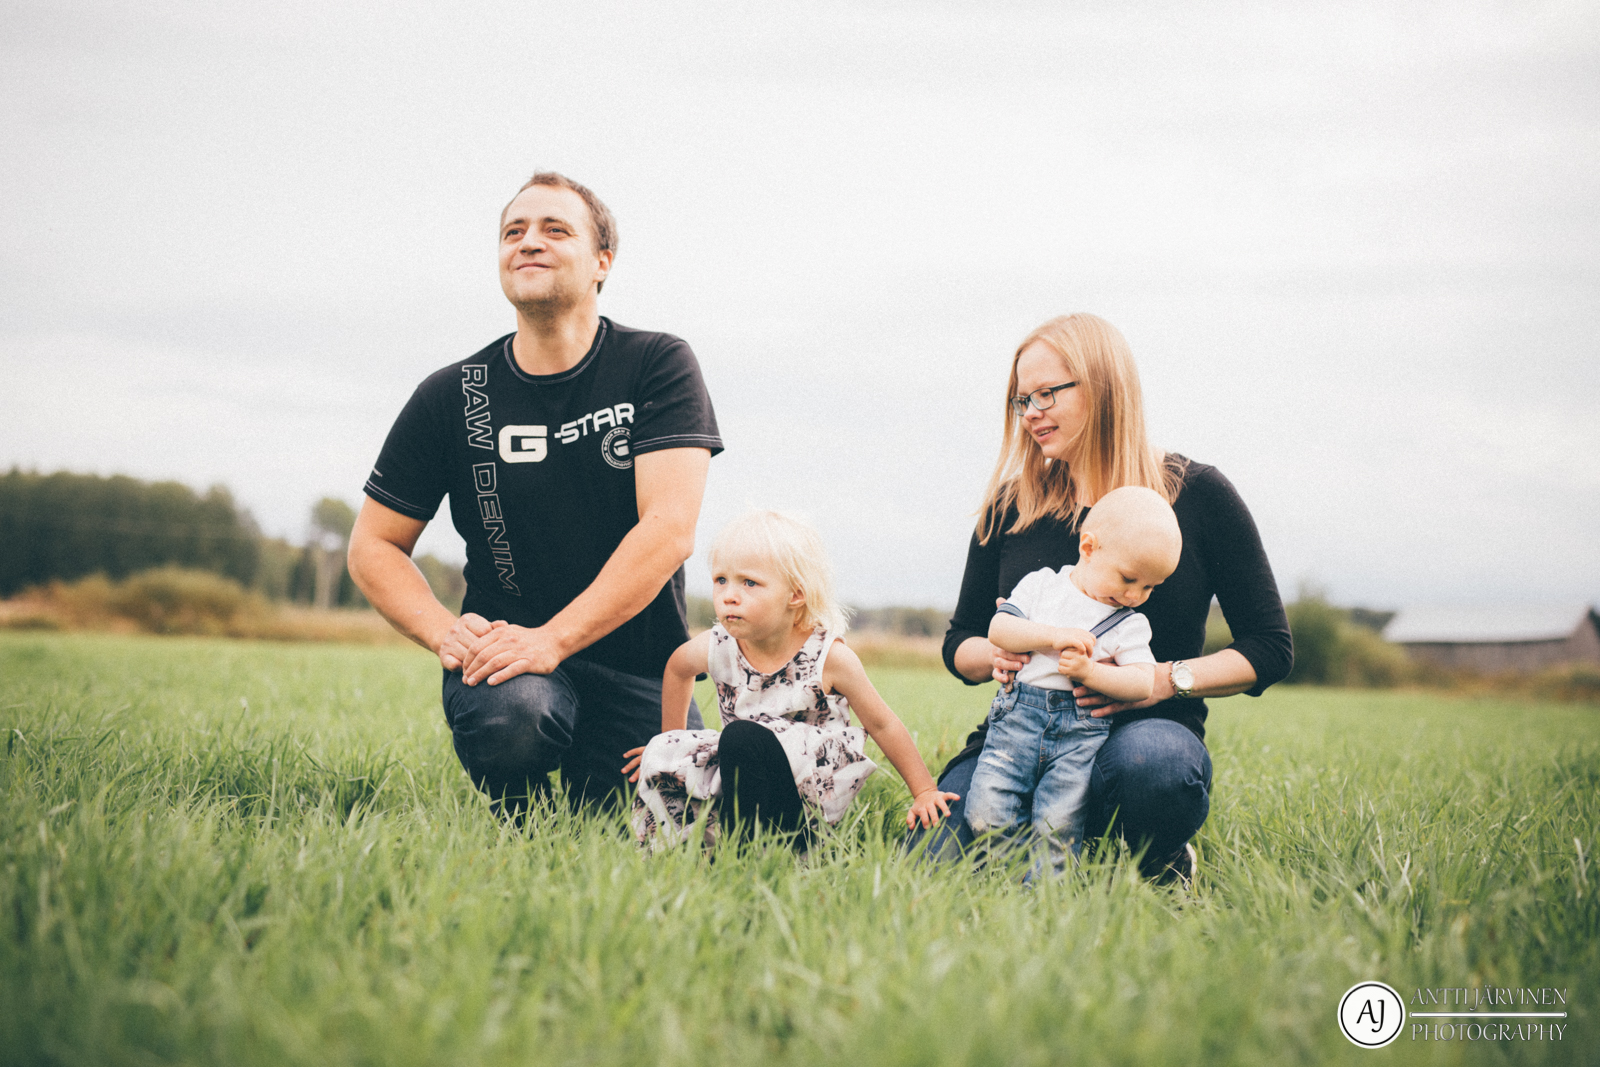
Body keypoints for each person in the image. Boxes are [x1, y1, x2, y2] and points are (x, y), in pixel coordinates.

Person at [347, 171, 722, 816]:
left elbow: (668, 529)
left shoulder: (656, 364)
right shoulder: (452, 395)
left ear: (603, 261)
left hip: (639, 668)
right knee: (515, 716)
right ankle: (518, 821)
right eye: (513, 231)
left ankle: (583, 796)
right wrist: (444, 632)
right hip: (511, 666)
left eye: (556, 229)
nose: (528, 242)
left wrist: (554, 638)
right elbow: (373, 545)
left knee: (669, 828)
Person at [915, 313, 1293, 884]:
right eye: (1021, 400)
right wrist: (1000, 653)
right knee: (931, 865)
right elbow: (960, 641)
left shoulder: (1198, 495)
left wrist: (1161, 681)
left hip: (1146, 733)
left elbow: (1269, 648)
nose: (1030, 412)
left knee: (1154, 768)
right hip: (1021, 738)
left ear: (1103, 387)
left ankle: (1158, 858)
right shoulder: (1011, 506)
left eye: (1046, 393)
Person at [623, 511, 959, 849]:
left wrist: (924, 791)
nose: (729, 595)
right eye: (721, 580)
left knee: (743, 736)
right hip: (743, 766)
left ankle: (784, 847)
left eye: (749, 583)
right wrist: (674, 742)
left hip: (809, 788)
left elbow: (883, 724)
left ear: (795, 594)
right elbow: (677, 668)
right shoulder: (719, 645)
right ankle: (736, 848)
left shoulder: (829, 657)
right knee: (705, 746)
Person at [966, 486, 1182, 875]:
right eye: (1129, 578)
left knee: (1059, 822)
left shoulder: (1129, 624)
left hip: (1078, 738)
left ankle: (1047, 893)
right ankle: (1006, 878)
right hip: (1016, 724)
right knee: (987, 808)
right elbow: (1000, 629)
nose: (1135, 595)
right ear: (1088, 547)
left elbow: (1143, 683)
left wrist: (1090, 672)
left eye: (1150, 587)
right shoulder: (1041, 586)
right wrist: (1051, 637)